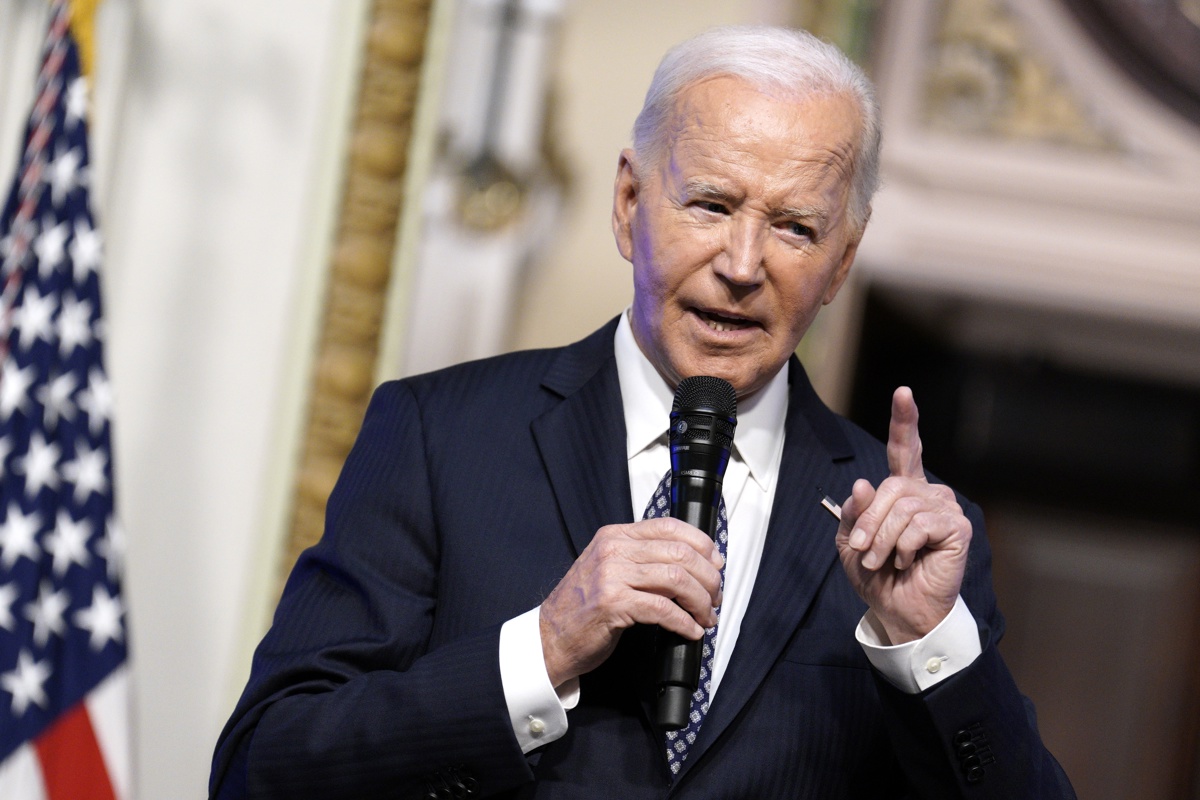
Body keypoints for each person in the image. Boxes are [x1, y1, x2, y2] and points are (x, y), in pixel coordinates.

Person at [210, 25, 1075, 799]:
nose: (742, 264)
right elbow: (261, 770)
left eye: (794, 229)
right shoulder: (442, 437)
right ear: (630, 202)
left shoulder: (908, 539)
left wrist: (929, 645)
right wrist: (542, 650)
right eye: (711, 204)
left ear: (841, 264)